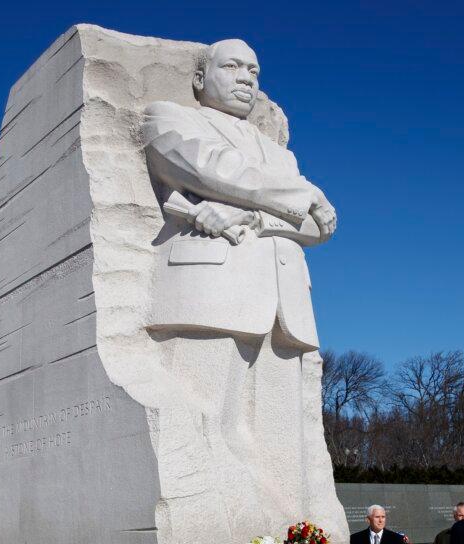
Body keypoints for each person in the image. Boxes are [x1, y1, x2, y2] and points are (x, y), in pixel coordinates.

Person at [140, 40, 339, 519]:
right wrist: (298, 196)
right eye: (232, 66)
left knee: (282, 443)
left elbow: (321, 225)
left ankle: (283, 536)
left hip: (284, 302)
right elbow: (203, 166)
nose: (247, 77)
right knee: (203, 422)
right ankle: (212, 525)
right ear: (199, 79)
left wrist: (256, 217)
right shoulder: (169, 117)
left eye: (254, 69)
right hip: (211, 290)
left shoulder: (279, 156)